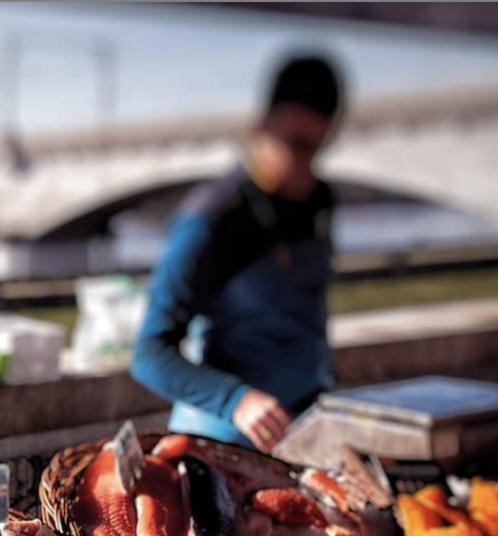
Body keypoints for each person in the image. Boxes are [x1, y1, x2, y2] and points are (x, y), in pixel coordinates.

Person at [131, 54, 345, 453]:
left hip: (305, 429)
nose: (306, 166)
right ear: (264, 125)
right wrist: (235, 400)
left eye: (318, 147)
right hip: (221, 439)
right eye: (296, 145)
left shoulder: (320, 201)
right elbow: (149, 353)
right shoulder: (212, 217)